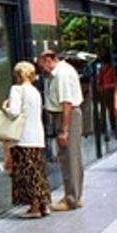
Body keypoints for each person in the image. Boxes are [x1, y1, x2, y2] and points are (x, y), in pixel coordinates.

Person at [2, 61, 50, 218]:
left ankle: (34, 207)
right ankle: (44, 204)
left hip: (23, 137)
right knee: (38, 171)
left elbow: (14, 112)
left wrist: (5, 108)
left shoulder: (16, 89)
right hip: (37, 136)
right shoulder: (35, 91)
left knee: (27, 172)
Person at [38, 48, 84, 211]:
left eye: (41, 64)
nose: (41, 69)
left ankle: (71, 198)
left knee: (69, 157)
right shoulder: (60, 72)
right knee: (72, 156)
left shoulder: (62, 74)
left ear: (48, 60)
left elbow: (66, 103)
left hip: (67, 116)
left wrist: (64, 130)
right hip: (66, 115)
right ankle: (75, 195)